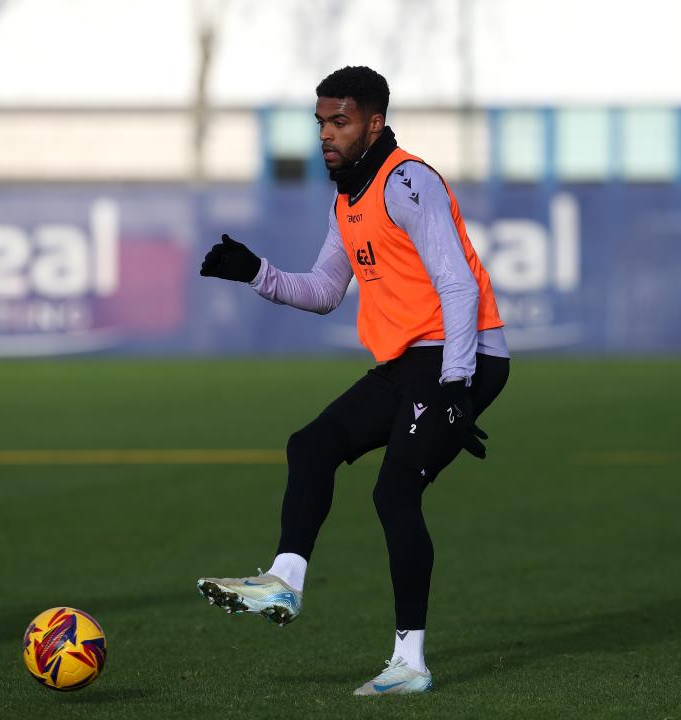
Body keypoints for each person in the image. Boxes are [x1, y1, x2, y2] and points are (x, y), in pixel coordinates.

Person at [196, 66, 509, 695]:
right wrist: (255, 271)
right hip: (408, 362)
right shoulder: (347, 200)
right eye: (320, 123)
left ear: (374, 122)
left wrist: (457, 383)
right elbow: (323, 290)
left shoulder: (408, 181)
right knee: (310, 445)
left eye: (339, 121)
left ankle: (410, 665)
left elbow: (457, 282)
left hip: (458, 356)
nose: (325, 135)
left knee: (394, 495)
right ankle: (284, 583)